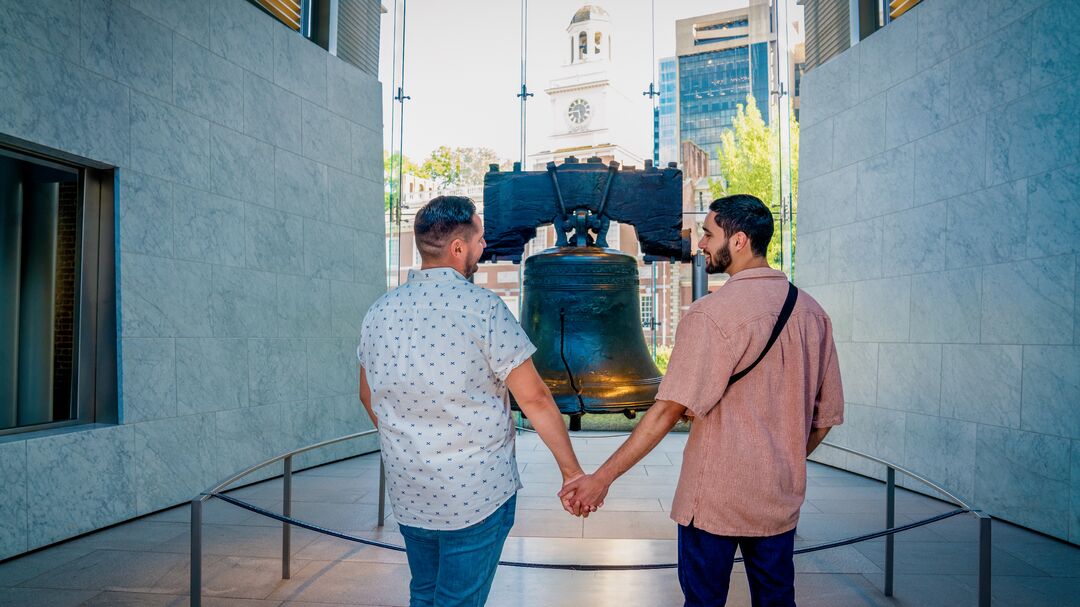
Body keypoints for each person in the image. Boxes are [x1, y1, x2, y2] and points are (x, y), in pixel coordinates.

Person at [560, 194, 844, 607]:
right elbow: (825, 418)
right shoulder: (813, 313)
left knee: (703, 602)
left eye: (709, 235)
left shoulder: (711, 314)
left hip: (713, 499)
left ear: (740, 240)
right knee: (777, 600)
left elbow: (666, 411)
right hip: (779, 496)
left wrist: (600, 480)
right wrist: (780, 460)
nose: (701, 245)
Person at [357, 195, 583, 607]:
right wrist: (571, 473)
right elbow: (533, 398)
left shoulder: (379, 312)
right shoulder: (484, 309)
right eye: (479, 240)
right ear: (458, 247)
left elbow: (366, 393)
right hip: (475, 494)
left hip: (409, 490)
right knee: (458, 601)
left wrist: (408, 442)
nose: (483, 248)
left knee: (424, 593)